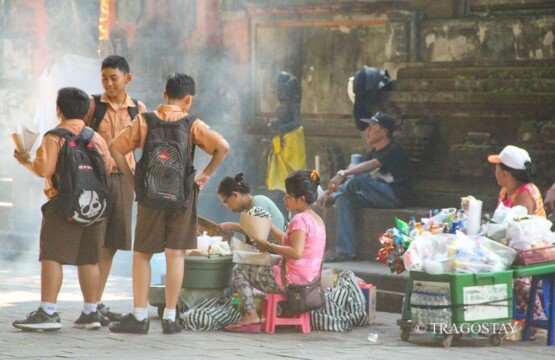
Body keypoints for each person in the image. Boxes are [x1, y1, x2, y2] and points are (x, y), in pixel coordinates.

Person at [108, 73, 229, 334]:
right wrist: (205, 174)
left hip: (150, 198)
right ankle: (171, 318)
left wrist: (133, 180)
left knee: (143, 255)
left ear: (164, 95)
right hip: (182, 197)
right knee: (175, 255)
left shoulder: (145, 121)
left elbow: (116, 147)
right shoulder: (192, 123)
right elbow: (223, 146)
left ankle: (140, 317)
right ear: (189, 99)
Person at [12, 87, 113, 331]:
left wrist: (26, 159)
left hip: (62, 204)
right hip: (93, 206)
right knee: (88, 259)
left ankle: (48, 312)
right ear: (86, 111)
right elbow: (108, 168)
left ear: (59, 110)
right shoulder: (96, 138)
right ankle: (91, 312)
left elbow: (44, 170)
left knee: (52, 256)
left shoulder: (55, 136)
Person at [85, 55, 147, 326]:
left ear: (127, 79)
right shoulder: (93, 105)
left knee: (111, 243)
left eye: (114, 78)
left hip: (124, 178)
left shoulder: (139, 109)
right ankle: (89, 305)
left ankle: (96, 302)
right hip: (96, 179)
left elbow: (145, 145)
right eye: (104, 79)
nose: (108, 84)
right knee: (95, 241)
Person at [224, 170, 326, 333]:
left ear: (301, 199)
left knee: (240, 270)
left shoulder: (299, 219)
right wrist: (269, 225)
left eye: (289, 196)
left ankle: (251, 316)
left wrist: (268, 246)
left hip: (292, 283)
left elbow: (296, 252)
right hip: (309, 282)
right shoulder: (316, 219)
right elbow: (286, 239)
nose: (285, 199)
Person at [319, 111, 412, 262]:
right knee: (344, 199)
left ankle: (333, 196)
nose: (367, 131)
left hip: (393, 196)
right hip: (375, 196)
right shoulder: (373, 152)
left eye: (372, 127)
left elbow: (369, 166)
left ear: (384, 131)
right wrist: (332, 191)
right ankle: (345, 251)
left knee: (359, 180)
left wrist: (342, 174)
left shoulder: (393, 150)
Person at [488, 145, 547, 321]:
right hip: (512, 246)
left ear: (506, 172)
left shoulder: (526, 192)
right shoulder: (505, 191)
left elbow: (521, 230)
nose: (495, 171)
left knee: (518, 278)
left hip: (534, 249)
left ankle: (536, 319)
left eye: (497, 167)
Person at [217, 172, 286, 242]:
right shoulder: (247, 210)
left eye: (226, 202)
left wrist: (232, 226)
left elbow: (259, 232)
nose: (227, 206)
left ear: (235, 195)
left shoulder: (258, 201)